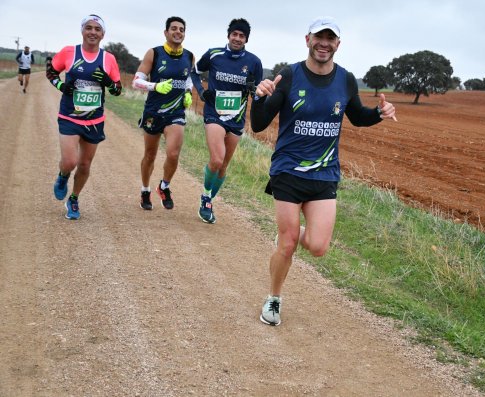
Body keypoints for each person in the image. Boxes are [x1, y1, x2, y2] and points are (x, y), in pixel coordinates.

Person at [250, 17, 397, 326]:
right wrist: (259, 97)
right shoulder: (290, 76)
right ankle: (273, 298)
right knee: (288, 243)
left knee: (318, 247)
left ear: (338, 45)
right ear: (307, 40)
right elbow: (259, 123)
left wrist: (379, 114)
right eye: (319, 37)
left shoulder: (346, 80)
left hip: (325, 175)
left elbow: (357, 116)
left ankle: (288, 233)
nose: (324, 43)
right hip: (288, 170)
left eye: (330, 38)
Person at [46, 14, 122, 219]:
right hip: (70, 117)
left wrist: (108, 81)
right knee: (70, 161)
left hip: (94, 120)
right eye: (89, 28)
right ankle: (63, 176)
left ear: (103, 34)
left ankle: (74, 199)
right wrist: (61, 85)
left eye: (97, 29)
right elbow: (51, 72)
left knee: (85, 164)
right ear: (82, 30)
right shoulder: (69, 52)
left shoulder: (109, 59)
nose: (93, 32)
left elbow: (117, 90)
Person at [190, 18, 263, 223]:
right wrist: (203, 93)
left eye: (242, 36)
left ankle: (208, 201)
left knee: (223, 167)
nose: (237, 38)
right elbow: (194, 73)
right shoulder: (214, 54)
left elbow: (258, 93)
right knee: (216, 159)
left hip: (237, 118)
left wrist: (254, 90)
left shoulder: (254, 62)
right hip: (214, 114)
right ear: (228, 35)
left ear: (246, 39)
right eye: (235, 34)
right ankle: (206, 196)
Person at [132, 16, 194, 210]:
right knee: (150, 155)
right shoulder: (154, 53)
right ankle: (145, 190)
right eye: (174, 28)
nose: (178, 32)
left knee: (173, 153)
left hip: (175, 112)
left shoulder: (189, 56)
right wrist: (155, 86)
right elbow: (136, 81)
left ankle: (164, 186)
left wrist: (188, 94)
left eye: (181, 29)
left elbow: (189, 80)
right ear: (166, 32)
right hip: (153, 112)